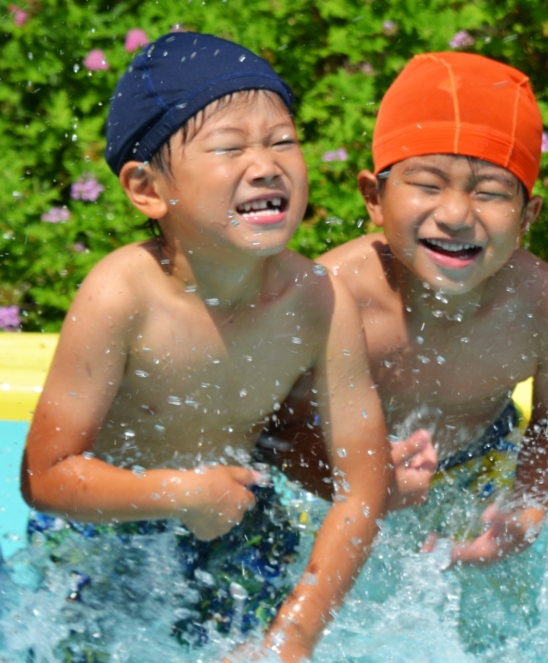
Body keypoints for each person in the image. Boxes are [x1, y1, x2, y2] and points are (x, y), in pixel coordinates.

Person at [19, 32, 390, 663]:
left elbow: (363, 489)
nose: (266, 165)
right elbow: (44, 475)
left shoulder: (318, 301)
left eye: (282, 141)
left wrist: (295, 636)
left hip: (240, 519)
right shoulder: (122, 296)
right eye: (229, 147)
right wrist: (181, 493)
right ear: (147, 188)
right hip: (107, 528)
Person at [266, 52, 548, 565]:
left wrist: (527, 511)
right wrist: (360, 489)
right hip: (336, 468)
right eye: (427, 185)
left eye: (490, 193)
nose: (457, 214)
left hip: (483, 457)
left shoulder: (547, 311)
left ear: (527, 217)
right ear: (374, 197)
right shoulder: (328, 299)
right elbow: (277, 431)